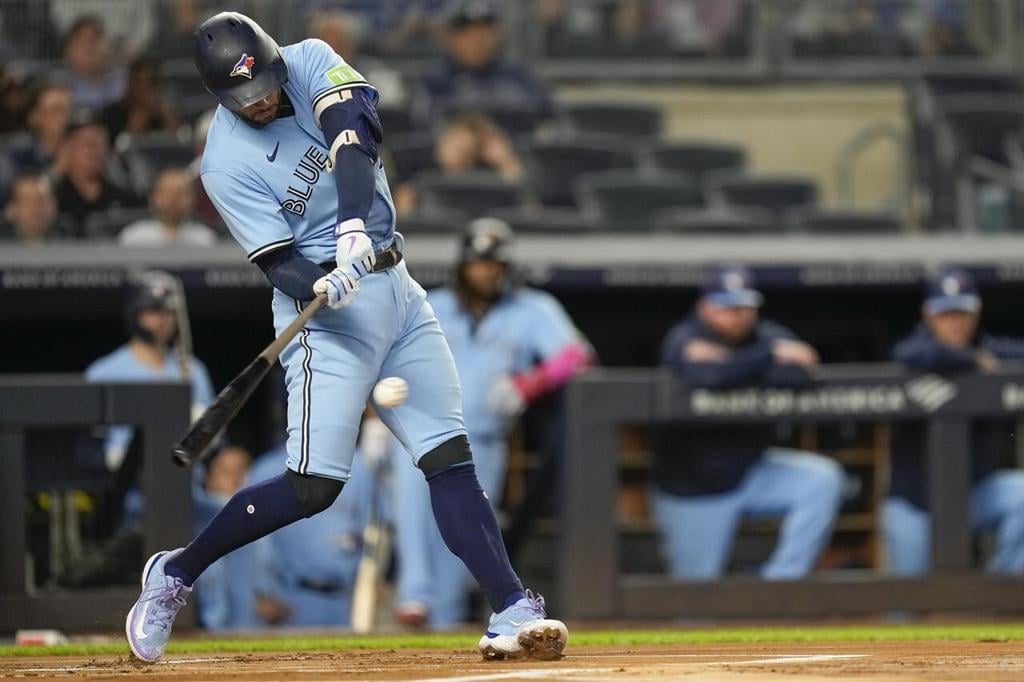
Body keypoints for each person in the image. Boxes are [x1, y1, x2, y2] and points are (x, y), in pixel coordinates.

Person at [124, 12, 567, 664]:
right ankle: (176, 573)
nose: (266, 100)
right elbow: (277, 265)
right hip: (326, 323)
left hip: (397, 288)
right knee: (313, 486)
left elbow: (353, 137)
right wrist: (318, 281)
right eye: (248, 99)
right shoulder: (223, 164)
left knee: (448, 456)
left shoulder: (308, 60)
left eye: (268, 84)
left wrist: (354, 231)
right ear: (223, 100)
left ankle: (511, 606)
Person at [393, 219, 591, 629]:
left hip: (483, 441)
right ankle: (413, 594)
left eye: (495, 265)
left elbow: (577, 355)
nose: (487, 272)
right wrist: (377, 422)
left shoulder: (532, 308)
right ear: (463, 265)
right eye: (479, 264)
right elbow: (386, 354)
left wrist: (529, 383)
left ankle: (443, 617)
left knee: (466, 534)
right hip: (419, 431)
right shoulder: (430, 303)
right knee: (412, 515)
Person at [654, 266, 844, 579]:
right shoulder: (684, 336)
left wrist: (738, 361)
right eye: (728, 307)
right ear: (705, 307)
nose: (738, 315)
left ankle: (780, 583)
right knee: (695, 606)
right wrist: (769, 357)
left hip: (751, 472)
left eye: (744, 307)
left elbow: (801, 374)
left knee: (822, 479)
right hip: (694, 489)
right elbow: (706, 375)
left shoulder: (765, 335)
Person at [885, 268, 1024, 575]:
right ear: (929, 315)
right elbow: (908, 353)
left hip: (974, 495)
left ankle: (999, 591)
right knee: (905, 608)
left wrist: (979, 357)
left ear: (976, 313)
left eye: (962, 313)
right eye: (946, 314)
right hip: (915, 503)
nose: (956, 323)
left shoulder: (991, 350)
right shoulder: (915, 350)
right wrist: (970, 361)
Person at [247, 413, 395, 627]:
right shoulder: (267, 469)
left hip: (346, 599)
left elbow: (376, 527)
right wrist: (263, 591)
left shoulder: (360, 466)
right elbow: (256, 538)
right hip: (291, 598)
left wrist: (376, 578)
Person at [419, 0, 554, 131]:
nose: (476, 39)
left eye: (484, 29)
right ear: (451, 37)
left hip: (516, 151)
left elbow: (550, 124)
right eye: (466, 32)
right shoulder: (434, 83)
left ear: (498, 33)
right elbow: (421, 135)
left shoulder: (520, 78)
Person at [393, 114, 524, 216]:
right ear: (445, 139)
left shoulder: (479, 178)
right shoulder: (418, 166)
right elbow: (403, 214)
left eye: (467, 152)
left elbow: (518, 188)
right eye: (456, 145)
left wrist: (504, 160)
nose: (458, 154)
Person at [53, 118, 139, 236]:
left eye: (101, 145)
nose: (95, 153)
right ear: (69, 150)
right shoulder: (55, 197)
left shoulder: (123, 198)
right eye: (88, 146)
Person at [0, 82, 73, 192]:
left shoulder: (85, 147)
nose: (66, 117)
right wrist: (57, 171)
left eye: (70, 110)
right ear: (34, 117)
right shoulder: (15, 151)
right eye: (56, 110)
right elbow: (12, 197)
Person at [119, 168, 218, 247]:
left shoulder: (205, 239)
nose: (173, 199)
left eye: (180, 193)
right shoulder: (134, 238)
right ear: (154, 196)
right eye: (167, 193)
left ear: (192, 198)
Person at [100, 56, 181, 143]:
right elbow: (116, 149)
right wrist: (137, 124)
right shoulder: (112, 113)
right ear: (130, 84)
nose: (144, 90)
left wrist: (168, 119)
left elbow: (179, 145)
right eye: (139, 83)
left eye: (151, 83)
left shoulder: (163, 114)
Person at [58, 16, 127, 110]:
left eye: (95, 39)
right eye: (83, 41)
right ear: (69, 49)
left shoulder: (122, 78)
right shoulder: (57, 84)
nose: (90, 47)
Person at [3, 174, 65, 244]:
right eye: (27, 201)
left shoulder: (70, 238)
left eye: (42, 200)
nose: (36, 207)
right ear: (11, 210)